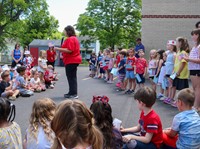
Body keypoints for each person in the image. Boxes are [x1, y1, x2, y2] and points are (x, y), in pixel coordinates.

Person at [54, 25, 82, 99]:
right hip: (73, 60)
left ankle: (74, 93)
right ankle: (72, 92)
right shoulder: (74, 39)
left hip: (71, 60)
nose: (64, 32)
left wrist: (58, 49)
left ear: (68, 31)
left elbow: (69, 50)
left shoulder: (70, 39)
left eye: (65, 31)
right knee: (72, 77)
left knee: (71, 77)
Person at [183, 29, 200, 112]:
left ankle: (196, 106)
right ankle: (196, 105)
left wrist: (188, 59)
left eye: (194, 35)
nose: (192, 36)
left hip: (197, 69)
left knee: (197, 88)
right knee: (195, 88)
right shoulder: (195, 46)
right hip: (193, 69)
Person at [170, 37, 190, 107]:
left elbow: (183, 63)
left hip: (181, 75)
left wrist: (178, 72)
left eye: (177, 42)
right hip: (177, 74)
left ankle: (181, 103)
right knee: (178, 88)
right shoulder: (179, 52)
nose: (176, 43)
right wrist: (174, 72)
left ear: (180, 43)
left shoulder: (183, 52)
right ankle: (178, 101)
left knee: (182, 90)